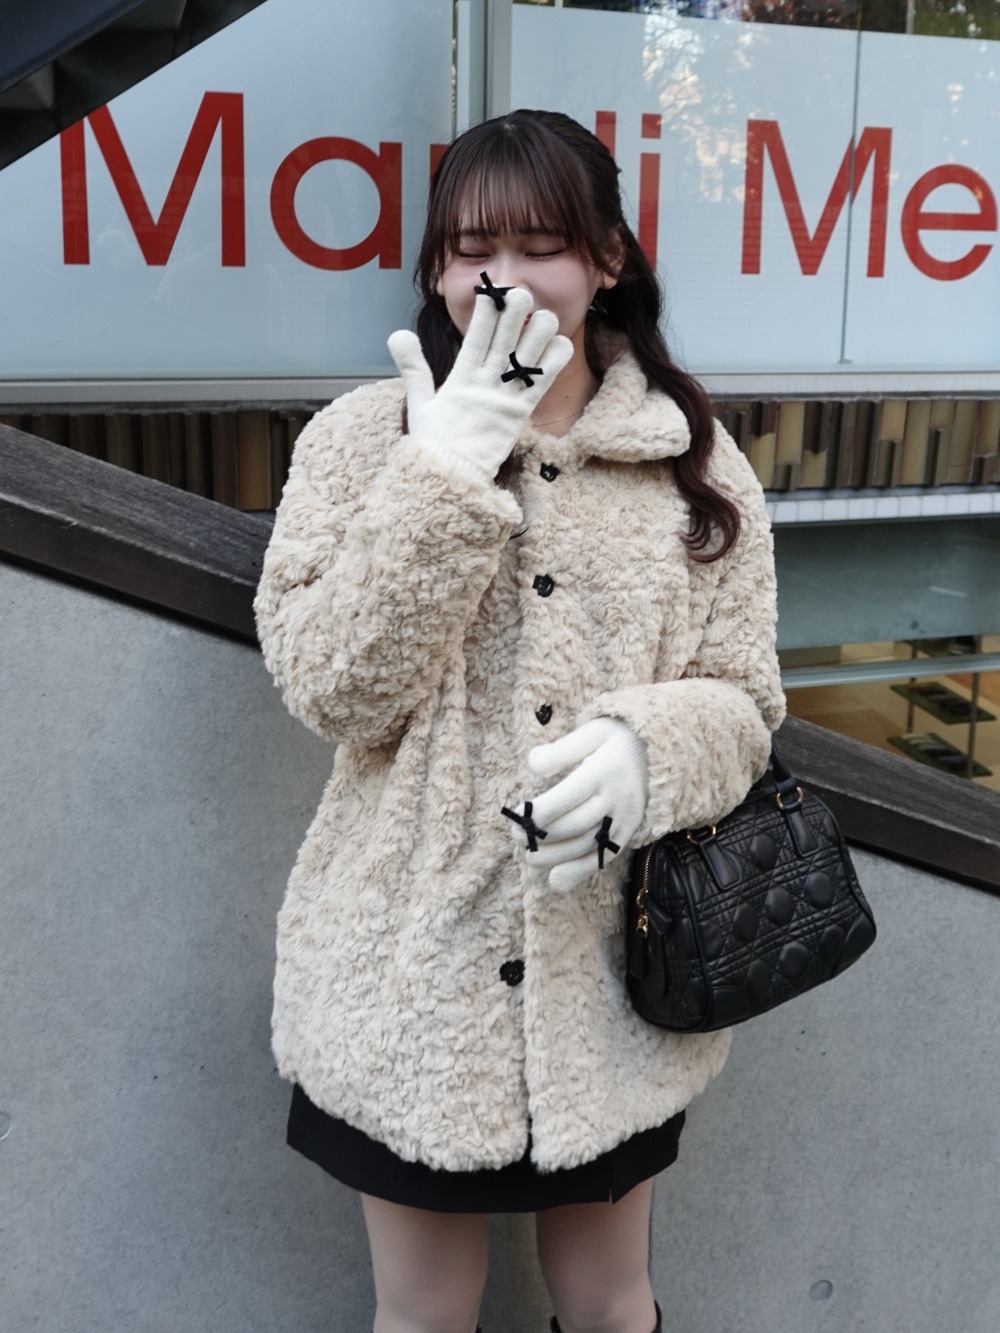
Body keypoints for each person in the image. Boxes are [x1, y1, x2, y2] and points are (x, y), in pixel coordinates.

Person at [254, 109, 785, 1333]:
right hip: (405, 973)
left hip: (609, 981)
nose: (499, 277)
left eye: (539, 244)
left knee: (609, 1304)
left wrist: (650, 751)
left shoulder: (694, 462)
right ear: (435, 268)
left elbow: (744, 700)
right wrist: (443, 473)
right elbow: (329, 686)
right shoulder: (363, 440)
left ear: (607, 260)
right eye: (468, 247)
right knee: (425, 1314)